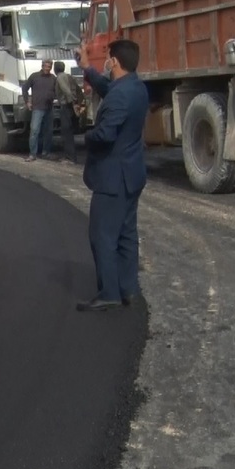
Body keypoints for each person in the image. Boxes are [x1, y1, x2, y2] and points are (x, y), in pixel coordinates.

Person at [74, 38, 149, 312]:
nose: (106, 62)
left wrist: (87, 136)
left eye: (108, 58)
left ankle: (109, 292)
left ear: (114, 61)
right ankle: (128, 289)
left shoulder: (120, 96)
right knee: (127, 234)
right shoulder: (137, 88)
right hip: (132, 174)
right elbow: (110, 89)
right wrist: (87, 68)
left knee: (102, 236)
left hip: (112, 178)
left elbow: (106, 134)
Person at [22, 58, 56, 162]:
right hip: (37, 108)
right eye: (46, 66)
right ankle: (32, 154)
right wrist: (27, 101)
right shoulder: (34, 76)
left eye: (49, 67)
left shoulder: (53, 78)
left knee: (48, 132)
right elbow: (25, 88)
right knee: (34, 131)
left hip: (49, 108)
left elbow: (57, 90)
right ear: (42, 66)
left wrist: (54, 98)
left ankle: (46, 152)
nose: (47, 68)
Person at [53, 60, 84, 164]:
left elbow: (66, 90)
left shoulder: (60, 77)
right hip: (72, 105)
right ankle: (71, 156)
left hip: (67, 105)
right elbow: (79, 90)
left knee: (66, 133)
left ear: (55, 69)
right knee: (69, 131)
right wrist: (79, 102)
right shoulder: (69, 76)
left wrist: (72, 103)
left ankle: (70, 158)